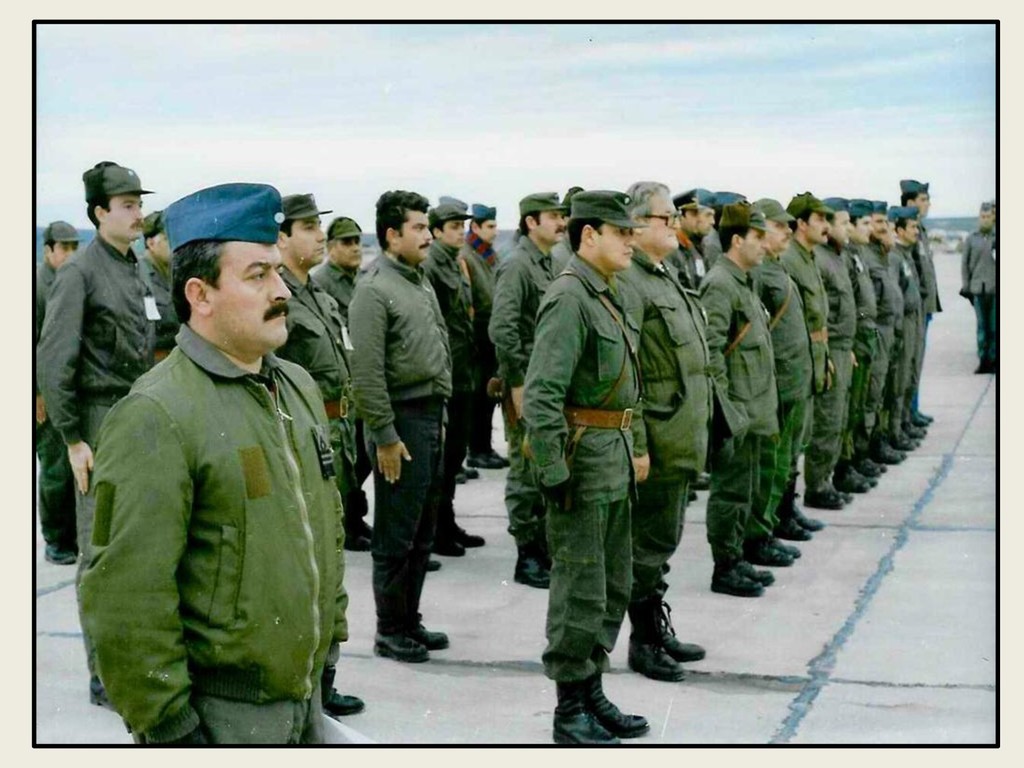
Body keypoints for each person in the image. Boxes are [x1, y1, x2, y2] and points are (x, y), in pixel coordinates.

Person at [80, 182, 347, 744]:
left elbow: (324, 526)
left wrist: (329, 645)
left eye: (278, 272)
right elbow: (125, 596)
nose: (282, 291)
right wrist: (171, 729)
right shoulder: (156, 413)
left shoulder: (296, 386)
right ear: (200, 295)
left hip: (304, 702)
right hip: (224, 719)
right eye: (258, 276)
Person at [523, 190, 648, 745]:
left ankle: (591, 689)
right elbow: (542, 394)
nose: (630, 242)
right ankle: (569, 708)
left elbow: (626, 389)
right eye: (621, 233)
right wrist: (552, 470)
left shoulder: (606, 293)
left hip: (611, 457)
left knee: (612, 583)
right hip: (583, 465)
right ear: (589, 235)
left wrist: (633, 445)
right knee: (580, 587)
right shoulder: (569, 297)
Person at [36, 161, 156, 708]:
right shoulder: (79, 273)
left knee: (140, 544)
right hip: (97, 422)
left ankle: (136, 656)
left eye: (139, 203)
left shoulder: (136, 269)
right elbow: (54, 357)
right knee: (100, 549)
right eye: (127, 205)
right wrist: (72, 438)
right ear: (99, 212)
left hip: (138, 418)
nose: (137, 213)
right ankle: (103, 672)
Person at [349, 190, 453, 663]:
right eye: (418, 228)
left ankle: (409, 620)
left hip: (430, 416)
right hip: (402, 421)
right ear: (392, 235)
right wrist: (386, 437)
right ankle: (390, 629)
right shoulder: (374, 290)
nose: (428, 235)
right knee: (397, 532)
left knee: (423, 530)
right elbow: (367, 374)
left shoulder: (418, 280)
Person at [273, 192, 365, 718]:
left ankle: (326, 679)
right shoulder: (277, 296)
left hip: (337, 435)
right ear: (282, 237)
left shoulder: (320, 296)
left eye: (317, 226)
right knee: (308, 562)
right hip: (305, 437)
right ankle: (307, 682)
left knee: (333, 557)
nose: (318, 235)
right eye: (307, 227)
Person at [617, 182, 710, 683]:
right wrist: (637, 444)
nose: (675, 225)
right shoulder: (630, 283)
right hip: (656, 435)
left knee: (663, 540)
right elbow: (627, 374)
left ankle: (655, 626)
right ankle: (644, 641)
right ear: (636, 226)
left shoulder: (662, 275)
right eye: (665, 217)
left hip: (679, 433)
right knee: (648, 546)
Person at [699, 202, 780, 598]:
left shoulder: (743, 281)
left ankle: (739, 555)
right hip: (736, 410)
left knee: (745, 488)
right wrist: (725, 409)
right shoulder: (720, 284)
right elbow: (710, 352)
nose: (764, 245)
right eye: (757, 238)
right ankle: (725, 565)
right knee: (730, 492)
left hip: (753, 407)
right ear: (736, 240)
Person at [488, 191, 569, 589]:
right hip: (526, 384)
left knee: (544, 463)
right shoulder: (517, 265)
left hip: (546, 384)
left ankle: (543, 547)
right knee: (525, 470)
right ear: (531, 222)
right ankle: (528, 555)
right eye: (552, 216)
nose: (561, 222)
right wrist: (517, 384)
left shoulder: (548, 262)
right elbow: (502, 329)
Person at [749, 199, 823, 552]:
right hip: (777, 381)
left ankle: (783, 513)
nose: (787, 231)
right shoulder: (760, 272)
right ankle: (765, 526)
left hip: (795, 377)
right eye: (779, 226)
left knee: (789, 455)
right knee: (773, 462)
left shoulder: (778, 267)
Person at [423, 196, 487, 555]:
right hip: (447, 374)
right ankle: (436, 531)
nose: (460, 232)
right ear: (436, 231)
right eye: (452, 227)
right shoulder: (432, 266)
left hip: (463, 372)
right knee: (442, 462)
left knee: (454, 457)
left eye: (462, 226)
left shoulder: (454, 262)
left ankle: (446, 523)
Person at [311, 215, 375, 551]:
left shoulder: (358, 280)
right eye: (347, 242)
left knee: (360, 458)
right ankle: (347, 523)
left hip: (360, 381)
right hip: (340, 386)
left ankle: (354, 518)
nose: (355, 249)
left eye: (357, 242)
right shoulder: (322, 283)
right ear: (331, 247)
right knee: (348, 460)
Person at [806, 199, 868, 501]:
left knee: (841, 416)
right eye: (843, 223)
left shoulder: (838, 257)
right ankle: (817, 485)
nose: (847, 228)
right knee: (827, 419)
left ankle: (827, 478)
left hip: (844, 346)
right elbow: (820, 313)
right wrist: (828, 351)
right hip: (829, 347)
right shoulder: (820, 259)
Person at [781, 193, 839, 509]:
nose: (825, 225)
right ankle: (784, 511)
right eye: (819, 219)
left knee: (801, 435)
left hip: (814, 356)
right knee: (790, 441)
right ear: (801, 224)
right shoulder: (790, 259)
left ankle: (789, 507)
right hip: (798, 358)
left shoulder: (808, 256)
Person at [35, 220, 80, 565]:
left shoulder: (73, 280)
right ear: (48, 249)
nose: (70, 254)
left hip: (70, 388)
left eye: (75, 247)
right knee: (55, 469)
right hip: (45, 391)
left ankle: (72, 535)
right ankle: (55, 540)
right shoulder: (37, 287)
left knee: (72, 467)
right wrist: (38, 395)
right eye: (64, 247)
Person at [838, 199, 887, 484]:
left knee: (862, 400)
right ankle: (846, 463)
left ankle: (857, 455)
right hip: (854, 339)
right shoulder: (846, 257)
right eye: (864, 224)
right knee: (851, 405)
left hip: (866, 335)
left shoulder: (857, 255)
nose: (870, 229)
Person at [461, 202, 509, 471]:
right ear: (476, 227)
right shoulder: (467, 256)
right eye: (490, 226)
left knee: (488, 396)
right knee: (478, 397)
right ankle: (477, 449)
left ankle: (484, 447)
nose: (495, 231)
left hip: (491, 334)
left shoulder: (491, 255)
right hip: (478, 334)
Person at [901, 179, 941, 424]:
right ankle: (908, 412)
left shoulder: (920, 230)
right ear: (910, 202)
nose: (928, 204)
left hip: (924, 306)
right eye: (923, 200)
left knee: (916, 362)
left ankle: (912, 410)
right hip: (915, 308)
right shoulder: (908, 231)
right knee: (909, 363)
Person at [889, 206, 927, 450]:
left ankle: (904, 422)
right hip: (904, 321)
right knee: (900, 377)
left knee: (912, 371)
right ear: (900, 230)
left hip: (915, 318)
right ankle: (896, 429)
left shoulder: (907, 254)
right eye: (912, 227)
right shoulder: (895, 257)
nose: (916, 231)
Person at [961, 201, 997, 374]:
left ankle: (994, 358)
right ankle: (983, 359)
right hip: (977, 289)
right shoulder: (971, 238)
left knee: (994, 326)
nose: (985, 220)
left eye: (988, 216)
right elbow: (965, 265)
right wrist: (966, 286)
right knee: (982, 327)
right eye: (982, 217)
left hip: (995, 289)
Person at [138, 210, 180, 360]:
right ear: (151, 243)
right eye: (168, 239)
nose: (175, 244)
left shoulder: (176, 273)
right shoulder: (137, 276)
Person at [668, 187, 714, 290]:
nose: (712, 221)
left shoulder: (693, 248)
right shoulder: (671, 250)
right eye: (693, 214)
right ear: (680, 216)